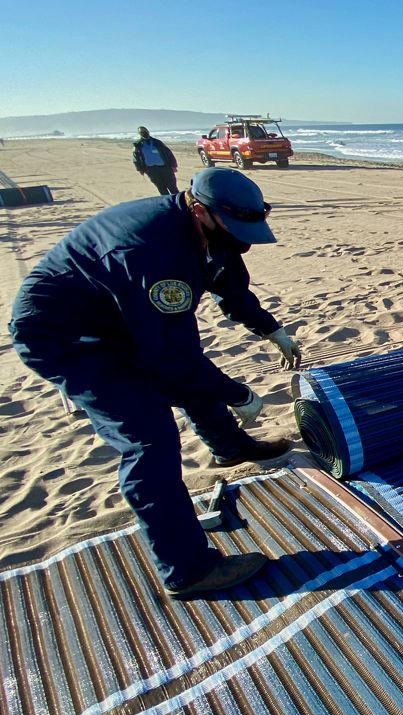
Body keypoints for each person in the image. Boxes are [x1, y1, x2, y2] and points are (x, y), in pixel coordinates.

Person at [10, 167, 305, 598]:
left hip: (120, 320)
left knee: (190, 381)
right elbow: (172, 358)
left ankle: (231, 448)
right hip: (67, 337)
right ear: (201, 210)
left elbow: (230, 286)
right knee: (149, 440)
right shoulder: (156, 252)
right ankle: (188, 570)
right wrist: (237, 393)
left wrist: (271, 329)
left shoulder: (211, 230)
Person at [132, 126, 179, 195]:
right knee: (161, 188)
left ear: (148, 132)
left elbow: (168, 153)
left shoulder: (157, 142)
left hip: (165, 167)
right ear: (139, 134)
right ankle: (168, 202)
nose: (144, 133)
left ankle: (179, 202)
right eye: (142, 132)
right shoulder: (137, 145)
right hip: (151, 169)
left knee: (172, 187)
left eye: (145, 131)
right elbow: (136, 158)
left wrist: (173, 165)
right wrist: (139, 169)